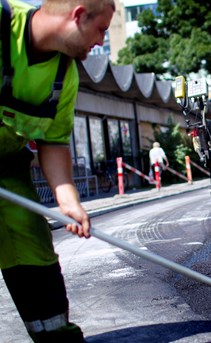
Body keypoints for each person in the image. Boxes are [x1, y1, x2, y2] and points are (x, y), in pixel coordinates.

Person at [0, 0, 115, 341]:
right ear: (78, 15)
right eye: (101, 30)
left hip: (6, 168)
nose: (100, 41)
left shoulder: (64, 76)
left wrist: (69, 202)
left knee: (32, 246)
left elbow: (53, 143)